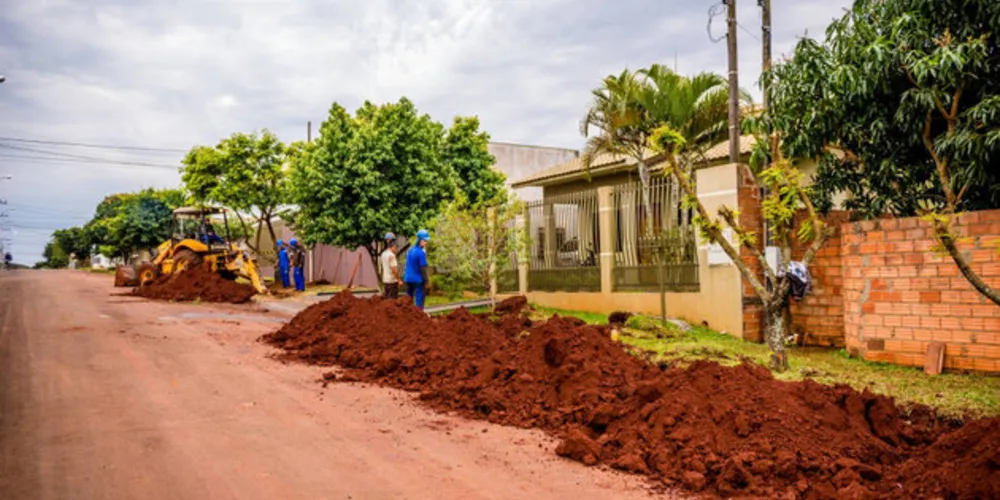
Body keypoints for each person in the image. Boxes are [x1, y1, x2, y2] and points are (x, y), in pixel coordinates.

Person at [403, 229, 431, 310]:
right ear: (420, 240)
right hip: (417, 280)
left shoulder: (410, 250)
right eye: (425, 240)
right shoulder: (421, 253)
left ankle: (406, 315)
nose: (426, 243)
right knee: (419, 299)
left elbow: (408, 264)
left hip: (408, 278)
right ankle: (419, 316)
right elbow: (423, 268)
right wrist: (427, 281)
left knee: (408, 299)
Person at [380, 233, 403, 299]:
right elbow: (394, 270)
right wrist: (399, 280)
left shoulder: (383, 254)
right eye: (396, 247)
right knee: (392, 301)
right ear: (393, 246)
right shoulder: (391, 256)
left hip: (385, 280)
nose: (396, 249)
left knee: (387, 300)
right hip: (392, 281)